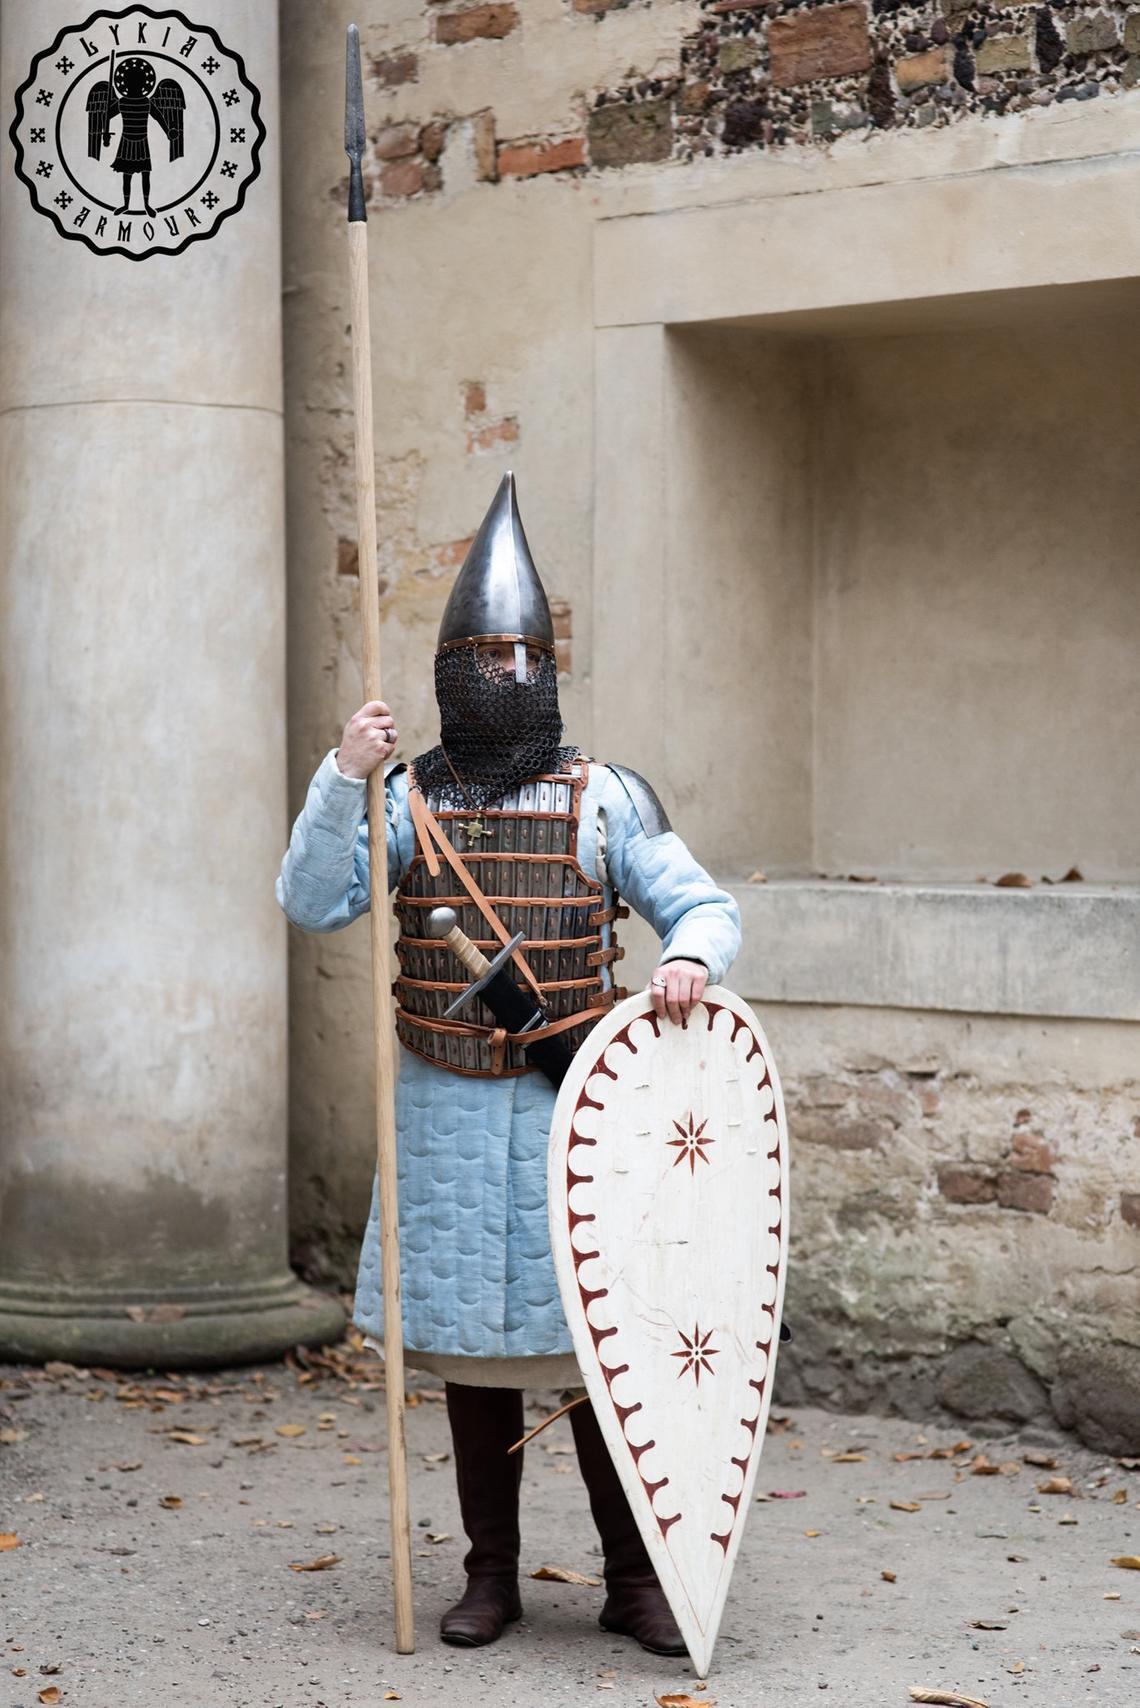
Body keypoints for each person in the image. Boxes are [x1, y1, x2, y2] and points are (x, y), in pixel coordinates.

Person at [277, 472, 741, 1654]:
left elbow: (702, 905)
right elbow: (315, 901)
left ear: (550, 669)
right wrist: (342, 773)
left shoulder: (604, 798)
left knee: (600, 1347)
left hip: (570, 1106)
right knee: (474, 1361)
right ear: (450, 671)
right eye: (486, 657)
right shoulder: (403, 799)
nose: (507, 675)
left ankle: (634, 1577)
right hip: (439, 1109)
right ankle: (491, 1577)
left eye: (523, 657)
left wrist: (689, 959)